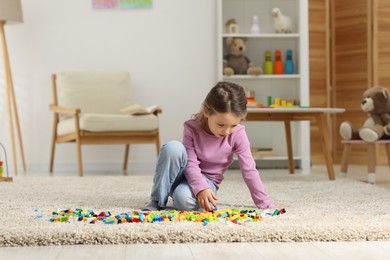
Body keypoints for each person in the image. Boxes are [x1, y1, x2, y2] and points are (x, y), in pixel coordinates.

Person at [143, 81, 273, 212]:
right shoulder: (191, 127)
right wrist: (200, 188)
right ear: (206, 112)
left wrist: (264, 203)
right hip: (181, 173)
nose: (227, 132)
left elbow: (249, 170)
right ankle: (157, 200)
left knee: (184, 201)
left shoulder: (238, 134)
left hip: (208, 180)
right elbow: (190, 163)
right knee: (172, 148)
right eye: (221, 125)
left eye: (233, 125)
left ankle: (181, 194)